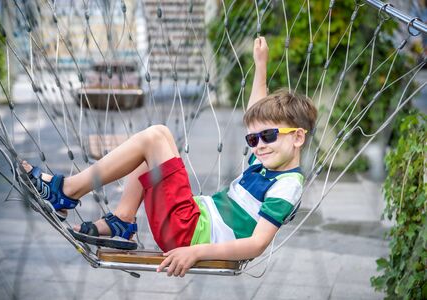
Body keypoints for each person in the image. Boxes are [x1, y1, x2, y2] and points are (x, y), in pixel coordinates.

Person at [21, 36, 317, 277]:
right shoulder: (266, 160)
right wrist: (261, 65)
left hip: (190, 235)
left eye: (268, 137)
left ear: (298, 137)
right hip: (190, 221)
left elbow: (256, 244)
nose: (258, 145)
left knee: (156, 136)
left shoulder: (287, 185)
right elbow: (257, 112)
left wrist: (194, 252)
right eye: (252, 139)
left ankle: (66, 191)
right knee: (151, 147)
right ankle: (122, 222)